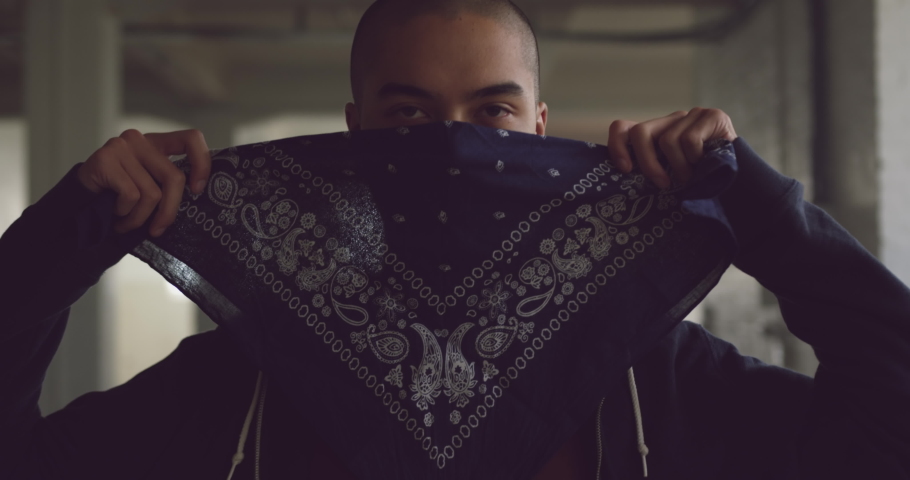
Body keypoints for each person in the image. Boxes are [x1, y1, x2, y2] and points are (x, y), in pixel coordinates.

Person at [1, 0, 908, 478]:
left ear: (541, 124)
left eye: (493, 112)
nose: (452, 144)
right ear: (355, 132)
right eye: (410, 115)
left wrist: (760, 210)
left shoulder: (653, 373)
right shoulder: (245, 373)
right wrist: (64, 236)